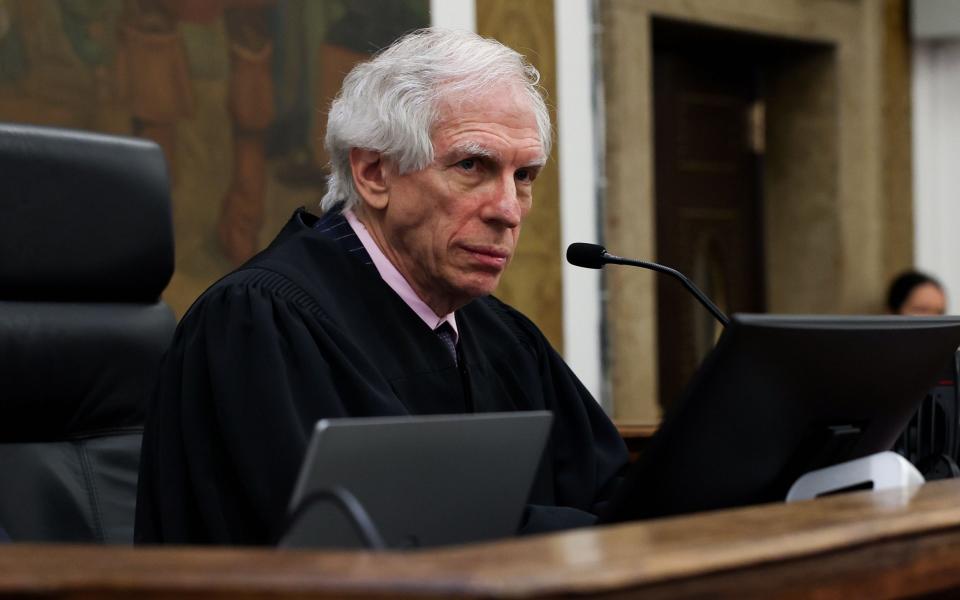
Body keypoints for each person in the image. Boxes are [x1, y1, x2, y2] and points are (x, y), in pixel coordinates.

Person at [135, 28, 628, 545]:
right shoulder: (258, 323)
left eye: (523, 175)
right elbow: (374, 538)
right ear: (374, 173)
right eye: (471, 165)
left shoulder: (503, 336)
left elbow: (616, 491)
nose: (508, 210)